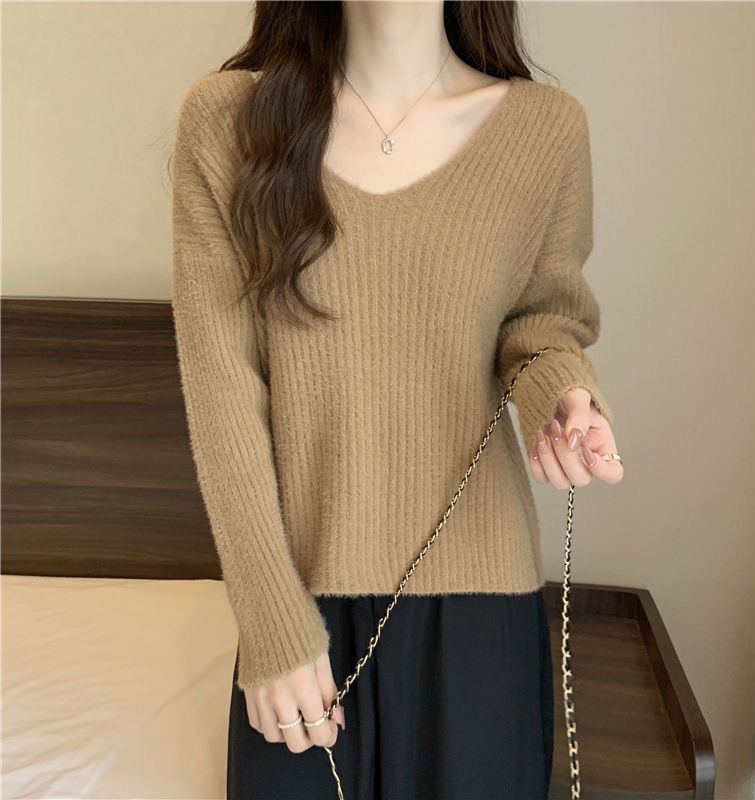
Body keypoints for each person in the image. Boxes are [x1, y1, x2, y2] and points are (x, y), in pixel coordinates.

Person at [170, 1, 623, 798]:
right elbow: (223, 391)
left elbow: (541, 323)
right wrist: (272, 622)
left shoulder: (546, 130)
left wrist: (561, 396)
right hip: (298, 605)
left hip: (482, 603)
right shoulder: (226, 122)